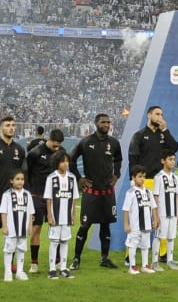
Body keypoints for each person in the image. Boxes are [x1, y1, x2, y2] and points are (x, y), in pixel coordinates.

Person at [69, 112, 120, 269]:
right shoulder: (85, 142)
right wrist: (79, 178)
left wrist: (116, 175)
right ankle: (76, 258)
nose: (106, 125)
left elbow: (119, 159)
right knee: (85, 225)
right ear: (96, 124)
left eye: (108, 122)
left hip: (107, 193)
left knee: (106, 225)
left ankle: (104, 258)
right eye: (103, 122)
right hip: (91, 193)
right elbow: (71, 159)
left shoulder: (113, 142)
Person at [127, 104, 178, 262]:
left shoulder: (163, 135)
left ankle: (162, 254)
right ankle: (130, 256)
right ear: (149, 115)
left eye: (161, 114)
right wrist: (134, 180)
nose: (160, 117)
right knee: (138, 218)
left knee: (161, 216)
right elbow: (133, 157)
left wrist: (166, 130)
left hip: (160, 181)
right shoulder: (140, 135)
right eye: (157, 114)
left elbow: (174, 148)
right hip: (144, 181)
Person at [0, 116, 29, 276]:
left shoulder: (19, 150)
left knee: (15, 231)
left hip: (15, 199)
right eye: (8, 125)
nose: (11, 128)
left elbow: (23, 174)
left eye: (13, 125)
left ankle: (12, 264)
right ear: (0, 128)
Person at [24, 128, 65, 274]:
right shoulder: (35, 153)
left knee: (59, 230)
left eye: (59, 145)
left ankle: (59, 261)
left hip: (56, 197)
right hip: (37, 195)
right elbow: (26, 173)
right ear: (48, 139)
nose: (56, 148)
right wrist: (28, 193)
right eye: (54, 145)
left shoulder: (61, 152)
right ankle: (34, 263)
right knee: (36, 229)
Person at [43, 149, 79, 280]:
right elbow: (48, 198)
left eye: (67, 161)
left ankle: (63, 267)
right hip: (55, 215)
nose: (66, 164)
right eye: (63, 161)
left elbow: (74, 197)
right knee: (54, 242)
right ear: (57, 163)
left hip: (67, 216)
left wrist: (73, 215)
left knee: (65, 241)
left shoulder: (72, 178)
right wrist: (49, 215)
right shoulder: (51, 178)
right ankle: (52, 269)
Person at [121, 165, 159, 275]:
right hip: (135, 226)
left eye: (144, 176)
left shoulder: (148, 191)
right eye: (139, 176)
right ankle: (132, 266)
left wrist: (155, 219)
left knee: (146, 245)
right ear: (133, 178)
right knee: (133, 245)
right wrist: (126, 224)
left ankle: (145, 265)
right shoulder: (130, 193)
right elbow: (125, 210)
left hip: (147, 225)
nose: (142, 179)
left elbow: (154, 207)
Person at [0, 169, 33, 282]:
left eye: (22, 179)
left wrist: (30, 226)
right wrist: (4, 226)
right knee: (9, 250)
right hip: (11, 228)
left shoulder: (27, 194)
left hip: (23, 228)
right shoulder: (7, 195)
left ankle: (20, 271)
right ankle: (8, 272)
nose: (20, 181)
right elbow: (3, 211)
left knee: (21, 249)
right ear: (11, 181)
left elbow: (30, 212)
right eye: (17, 179)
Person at [153, 152, 178, 270]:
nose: (172, 162)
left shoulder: (175, 178)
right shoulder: (159, 177)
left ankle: (170, 260)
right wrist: (156, 216)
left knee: (171, 237)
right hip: (162, 213)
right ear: (163, 161)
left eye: (174, 159)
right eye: (170, 159)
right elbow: (155, 196)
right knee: (159, 237)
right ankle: (155, 262)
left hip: (173, 213)